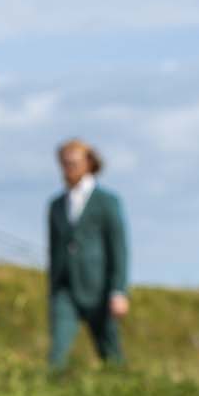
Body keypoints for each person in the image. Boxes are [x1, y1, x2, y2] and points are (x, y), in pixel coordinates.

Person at [46, 138, 129, 368]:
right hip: (65, 289)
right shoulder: (56, 205)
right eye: (65, 163)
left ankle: (123, 392)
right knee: (57, 353)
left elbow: (119, 248)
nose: (68, 168)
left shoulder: (107, 202)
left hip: (99, 290)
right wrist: (53, 290)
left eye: (74, 162)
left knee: (110, 351)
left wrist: (118, 291)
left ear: (89, 163)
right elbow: (54, 251)